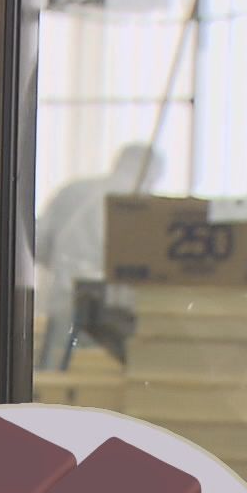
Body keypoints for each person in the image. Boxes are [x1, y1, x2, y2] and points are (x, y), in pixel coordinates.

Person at [33, 142, 160, 368]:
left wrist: (63, 268)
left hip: (63, 300)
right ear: (153, 173)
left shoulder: (74, 190)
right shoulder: (142, 203)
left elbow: (38, 243)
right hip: (115, 311)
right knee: (101, 374)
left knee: (57, 373)